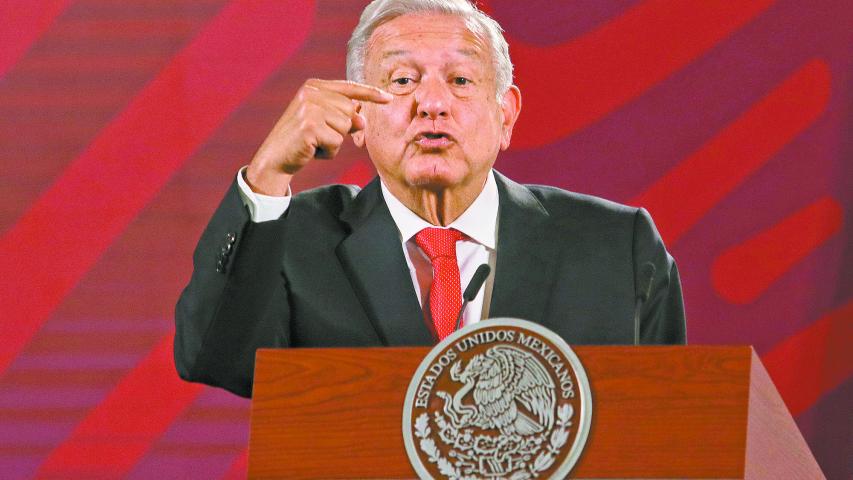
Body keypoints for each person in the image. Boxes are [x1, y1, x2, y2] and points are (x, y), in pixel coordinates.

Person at [174, 0, 686, 398]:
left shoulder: (617, 247)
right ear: (358, 114)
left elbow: (675, 422)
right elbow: (213, 359)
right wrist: (266, 176)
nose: (432, 104)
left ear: (505, 114)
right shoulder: (294, 238)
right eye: (402, 80)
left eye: (461, 80)